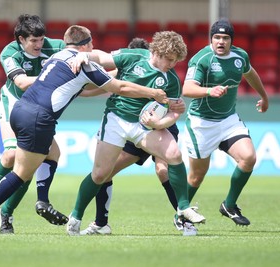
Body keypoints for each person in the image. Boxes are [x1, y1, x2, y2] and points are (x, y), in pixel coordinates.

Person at [0, 24, 168, 235]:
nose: (92, 47)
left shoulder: (58, 56)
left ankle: (42, 201)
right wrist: (153, 92)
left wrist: (112, 72)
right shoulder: (84, 65)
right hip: (39, 117)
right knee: (21, 174)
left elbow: (86, 88)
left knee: (53, 153)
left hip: (20, 110)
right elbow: (120, 88)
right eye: (91, 43)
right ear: (86, 45)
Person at [66, 31, 206, 236]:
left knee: (173, 156)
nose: (172, 64)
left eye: (176, 61)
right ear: (158, 51)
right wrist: (83, 56)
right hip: (116, 120)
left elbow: (175, 112)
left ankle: (183, 208)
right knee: (100, 174)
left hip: (145, 127)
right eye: (169, 59)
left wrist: (159, 123)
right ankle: (76, 217)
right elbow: (102, 57)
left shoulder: (172, 79)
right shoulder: (133, 57)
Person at [182, 19, 269, 226]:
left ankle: (229, 205)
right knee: (196, 177)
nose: (221, 41)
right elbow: (187, 89)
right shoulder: (201, 59)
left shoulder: (240, 56)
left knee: (248, 158)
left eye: (225, 38)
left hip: (229, 120)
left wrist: (264, 96)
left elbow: (250, 73)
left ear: (231, 40)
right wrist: (209, 91)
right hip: (201, 124)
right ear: (211, 39)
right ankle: (181, 212)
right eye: (217, 37)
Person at [0, 14, 68, 234]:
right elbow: (22, 83)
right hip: (14, 103)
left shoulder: (56, 47)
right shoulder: (9, 52)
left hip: (37, 109)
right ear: (21, 39)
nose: (39, 45)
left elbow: (82, 53)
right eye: (33, 41)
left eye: (41, 40)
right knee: (11, 156)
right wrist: (54, 77)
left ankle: (10, 213)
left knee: (47, 157)